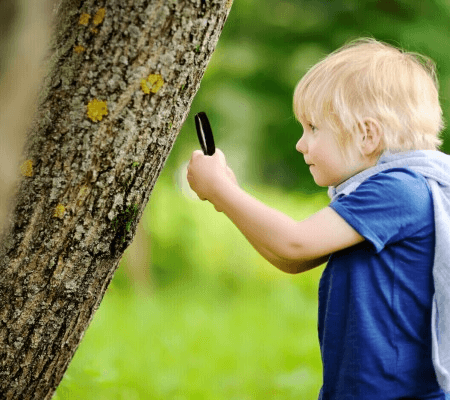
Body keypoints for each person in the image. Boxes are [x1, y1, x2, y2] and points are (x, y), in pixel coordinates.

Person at [186, 37, 450, 399]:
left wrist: (221, 191)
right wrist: (228, 199)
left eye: (312, 128)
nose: (301, 143)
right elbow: (292, 259)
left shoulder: (400, 190)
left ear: (367, 135)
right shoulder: (386, 191)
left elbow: (295, 243)